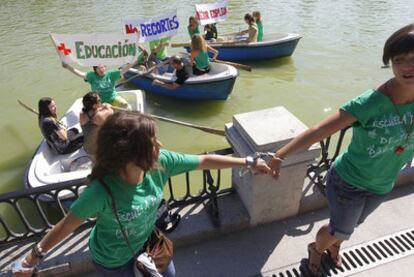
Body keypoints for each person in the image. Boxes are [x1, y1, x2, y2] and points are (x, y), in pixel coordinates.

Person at [12, 111, 270, 276]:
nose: (160, 145)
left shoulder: (162, 162)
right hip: (112, 259)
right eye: (152, 141)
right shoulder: (101, 192)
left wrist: (248, 161)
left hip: (148, 243)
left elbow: (204, 161)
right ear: (131, 152)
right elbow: (65, 226)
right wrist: (32, 259)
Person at [267, 23, 414, 276]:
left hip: (382, 183)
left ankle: (333, 246)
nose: (407, 66)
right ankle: (316, 249)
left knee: (351, 225)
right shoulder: (370, 103)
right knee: (341, 229)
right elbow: (319, 131)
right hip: (350, 182)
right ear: (389, 63)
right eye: (399, 59)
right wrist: (280, 156)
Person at [62, 58, 137, 109]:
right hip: (99, 102)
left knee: (126, 106)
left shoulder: (111, 74)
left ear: (105, 67)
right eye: (98, 68)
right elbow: (79, 74)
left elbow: (123, 70)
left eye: (102, 67)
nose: (101, 70)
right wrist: (68, 67)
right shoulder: (91, 76)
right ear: (95, 69)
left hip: (113, 98)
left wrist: (133, 61)